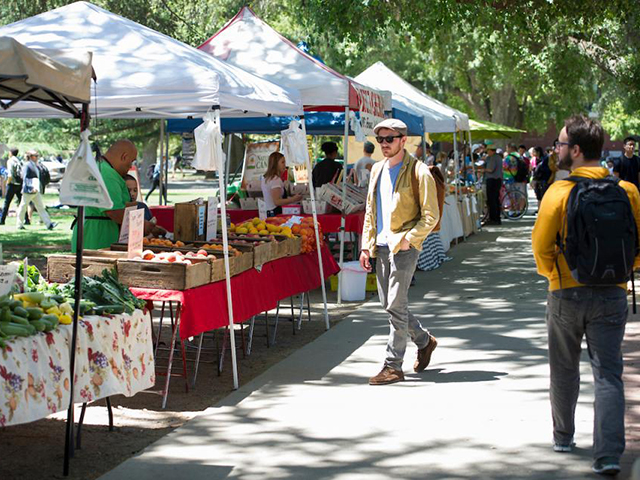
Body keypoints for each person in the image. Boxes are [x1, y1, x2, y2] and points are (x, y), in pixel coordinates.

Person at [532, 115, 640, 476]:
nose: (557, 150)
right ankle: (608, 455)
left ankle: (563, 436)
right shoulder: (627, 191)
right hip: (612, 294)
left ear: (576, 151)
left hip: (566, 292)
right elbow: (637, 243)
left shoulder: (559, 192)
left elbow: (541, 248)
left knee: (563, 368)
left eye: (561, 144)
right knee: (608, 373)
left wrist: (556, 276)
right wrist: (623, 274)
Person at [360, 118, 440, 386]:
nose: (384, 144)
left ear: (403, 140)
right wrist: (365, 245)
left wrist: (410, 239)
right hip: (380, 247)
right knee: (390, 305)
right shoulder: (377, 170)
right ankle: (424, 341)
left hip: (404, 247)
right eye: (380, 140)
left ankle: (393, 365)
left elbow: (431, 215)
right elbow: (371, 211)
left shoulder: (419, 172)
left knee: (395, 303)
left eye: (389, 139)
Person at [71, 140, 164, 252]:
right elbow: (114, 212)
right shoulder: (107, 174)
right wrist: (141, 226)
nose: (130, 166)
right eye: (131, 161)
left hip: (94, 233)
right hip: (96, 238)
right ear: (124, 157)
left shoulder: (102, 168)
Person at [16, 150, 56, 230]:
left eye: (37, 155)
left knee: (40, 207)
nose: (37, 157)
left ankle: (49, 224)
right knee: (23, 207)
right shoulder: (27, 165)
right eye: (35, 155)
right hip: (29, 191)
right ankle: (19, 224)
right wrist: (31, 188)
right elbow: (25, 178)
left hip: (36, 190)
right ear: (30, 157)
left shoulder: (35, 165)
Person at [261, 151, 302, 216]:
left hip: (270, 212)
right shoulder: (275, 179)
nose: (285, 165)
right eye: (282, 162)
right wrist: (293, 199)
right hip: (275, 213)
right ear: (275, 164)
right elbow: (277, 201)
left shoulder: (266, 178)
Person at [0, 148, 28, 225]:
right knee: (22, 202)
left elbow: (10, 175)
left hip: (12, 184)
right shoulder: (19, 160)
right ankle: (27, 219)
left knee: (7, 202)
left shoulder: (10, 161)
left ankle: (2, 220)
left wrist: (7, 183)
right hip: (19, 184)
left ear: (10, 153)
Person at [484, 144, 503, 225]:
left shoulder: (493, 158)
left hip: (492, 180)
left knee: (492, 200)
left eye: (488, 151)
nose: (487, 152)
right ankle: (497, 217)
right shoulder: (498, 157)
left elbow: (490, 169)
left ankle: (493, 218)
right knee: (495, 199)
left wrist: (483, 170)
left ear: (491, 151)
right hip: (498, 180)